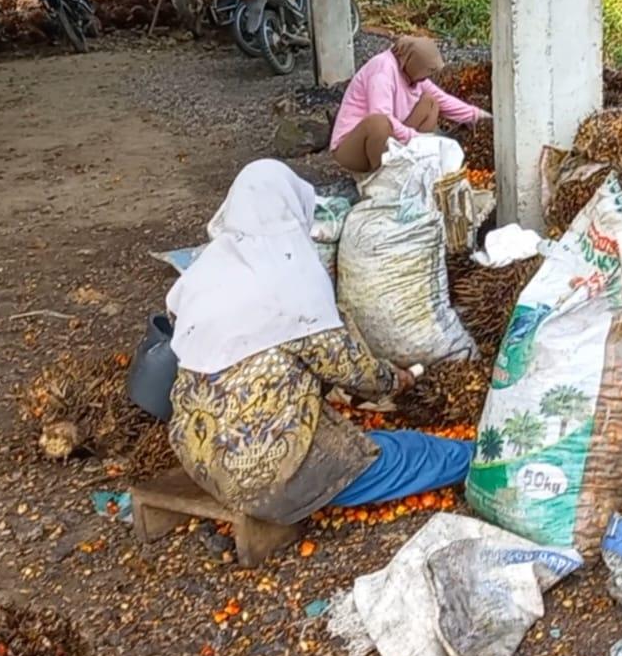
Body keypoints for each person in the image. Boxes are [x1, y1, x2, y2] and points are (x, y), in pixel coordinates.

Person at [164, 159, 473, 547]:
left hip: (201, 461)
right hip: (268, 475)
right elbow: (357, 373)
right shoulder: (292, 282)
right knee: (413, 453)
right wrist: (397, 379)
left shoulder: (204, 272)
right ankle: (476, 458)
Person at [330, 36, 490, 174]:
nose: (425, 79)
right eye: (425, 73)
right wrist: (417, 139)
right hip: (354, 148)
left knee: (430, 103)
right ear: (414, 63)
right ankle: (381, 177)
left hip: (388, 138)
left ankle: (410, 165)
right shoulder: (382, 72)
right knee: (378, 123)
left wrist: (482, 117)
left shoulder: (409, 69)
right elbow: (382, 116)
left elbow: (443, 101)